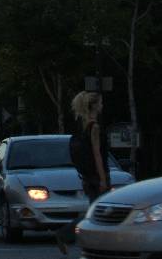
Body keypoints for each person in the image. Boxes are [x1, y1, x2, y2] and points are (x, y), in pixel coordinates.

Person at [55, 91, 110, 255]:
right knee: (97, 213)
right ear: (94, 106)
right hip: (96, 176)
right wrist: (102, 179)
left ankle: (97, 245)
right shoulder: (94, 127)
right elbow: (97, 154)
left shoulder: (82, 126)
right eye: (100, 103)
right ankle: (64, 234)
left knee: (96, 212)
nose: (102, 106)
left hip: (87, 176)